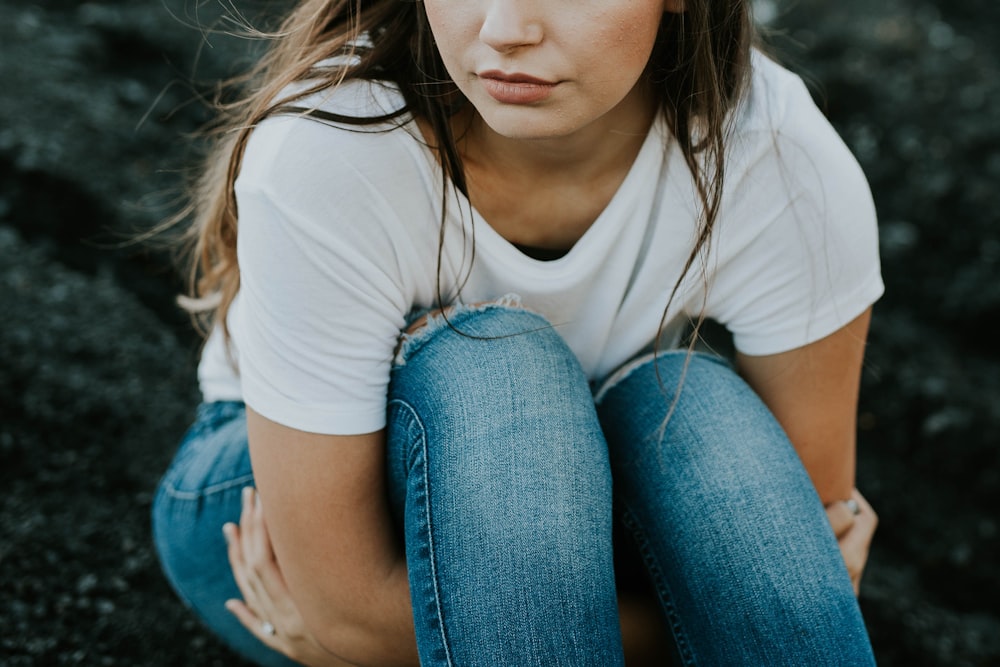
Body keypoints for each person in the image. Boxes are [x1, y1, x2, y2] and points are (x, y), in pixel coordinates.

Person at [152, 0, 883, 664]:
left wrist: (774, 598)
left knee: (696, 408)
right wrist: (704, 626)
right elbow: (348, 611)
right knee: (503, 367)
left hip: (575, 502)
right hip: (283, 520)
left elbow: (812, 534)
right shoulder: (332, 146)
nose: (505, 29)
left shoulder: (780, 158)